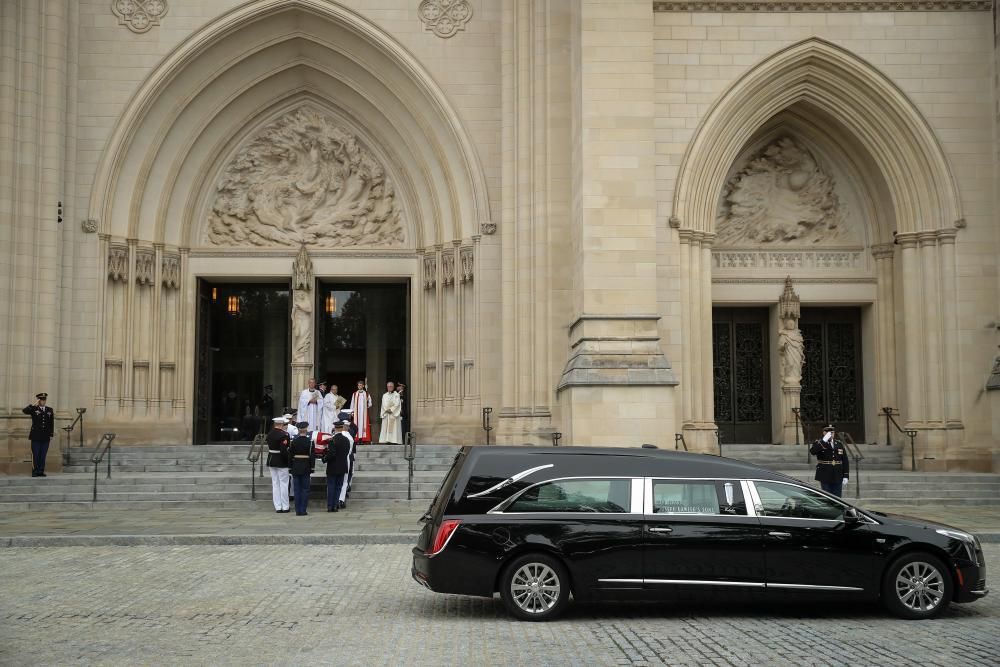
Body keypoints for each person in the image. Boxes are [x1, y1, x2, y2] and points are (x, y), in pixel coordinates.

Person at [809, 425, 849, 497]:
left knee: (837, 497)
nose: (831, 435)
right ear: (824, 433)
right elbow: (813, 451)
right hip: (825, 474)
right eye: (829, 433)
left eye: (832, 433)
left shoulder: (839, 444)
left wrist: (846, 475)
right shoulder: (819, 443)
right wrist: (823, 441)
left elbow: (845, 460)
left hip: (837, 474)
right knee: (827, 497)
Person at [22, 393, 54, 477]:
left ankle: (41, 471)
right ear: (39, 400)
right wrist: (33, 404)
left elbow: (51, 423)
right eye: (41, 400)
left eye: (44, 400)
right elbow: (24, 411)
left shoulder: (49, 410)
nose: (43, 401)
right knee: (35, 454)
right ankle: (35, 471)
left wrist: (51, 434)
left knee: (43, 455)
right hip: (35, 436)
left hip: (45, 436)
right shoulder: (33, 409)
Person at [323, 421, 352, 512]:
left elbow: (331, 454)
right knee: (339, 486)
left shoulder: (332, 440)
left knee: (331, 486)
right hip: (342, 466)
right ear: (342, 428)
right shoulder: (346, 440)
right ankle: (335, 506)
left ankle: (330, 506)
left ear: (335, 428)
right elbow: (347, 452)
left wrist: (324, 459)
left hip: (333, 466)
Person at [289, 421, 314, 516]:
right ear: (306, 430)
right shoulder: (310, 442)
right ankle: (303, 510)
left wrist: (290, 467)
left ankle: (297, 510)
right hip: (306, 467)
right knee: (305, 489)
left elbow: (290, 455)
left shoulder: (293, 441)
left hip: (295, 466)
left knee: (296, 489)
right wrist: (312, 468)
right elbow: (312, 456)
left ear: (299, 430)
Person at [265, 417, 291, 513]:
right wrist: (288, 461)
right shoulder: (284, 435)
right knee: (284, 484)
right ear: (281, 424)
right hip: (281, 461)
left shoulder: (270, 433)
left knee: (275, 484)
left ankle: (278, 507)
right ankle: (285, 506)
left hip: (271, 460)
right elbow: (284, 451)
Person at [349, 379, 373, 444]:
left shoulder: (366, 394)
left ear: (363, 386)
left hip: (364, 414)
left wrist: (368, 402)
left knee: (363, 425)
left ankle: (363, 439)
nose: (359, 386)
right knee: (356, 425)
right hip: (357, 414)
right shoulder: (354, 394)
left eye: (360, 385)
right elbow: (352, 404)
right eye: (358, 385)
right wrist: (352, 412)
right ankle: (357, 439)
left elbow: (370, 404)